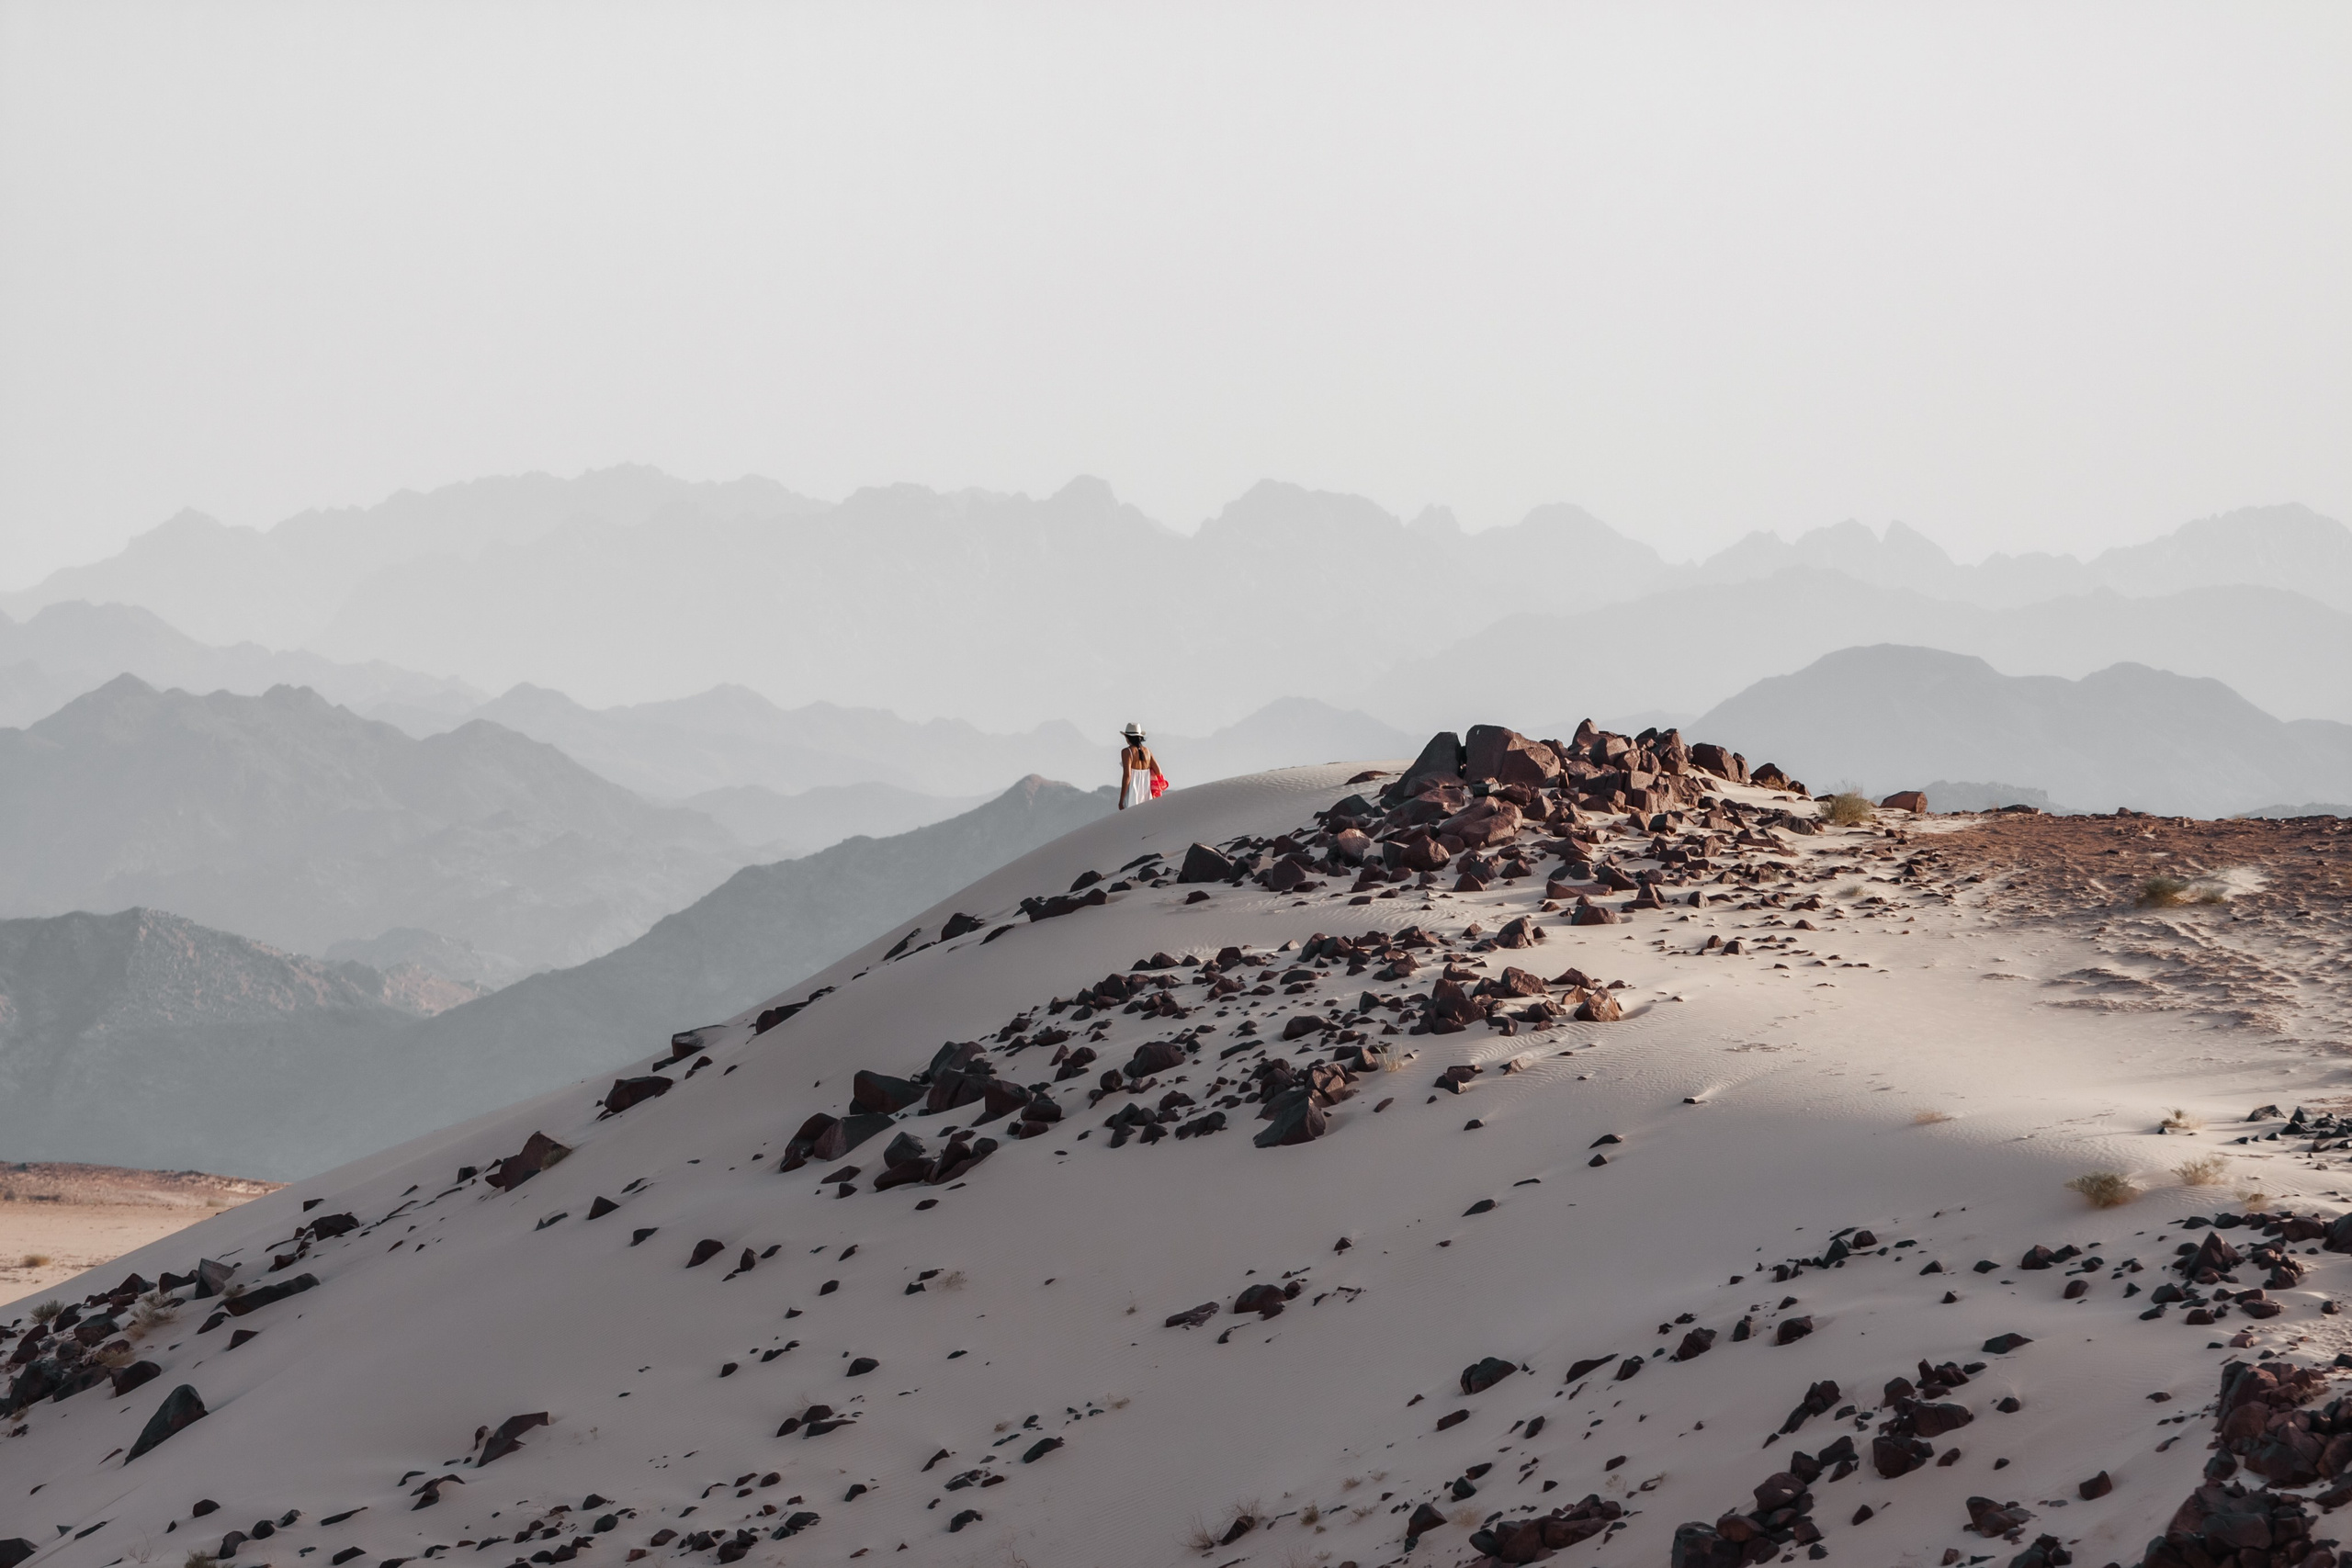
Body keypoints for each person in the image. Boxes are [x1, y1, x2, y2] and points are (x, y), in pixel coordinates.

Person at [1116, 723, 1164, 809]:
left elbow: (1127, 775)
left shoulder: (1127, 752)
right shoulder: (1148, 751)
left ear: (1127, 737)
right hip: (1146, 791)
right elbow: (1158, 771)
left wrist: (1121, 800)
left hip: (1132, 791)